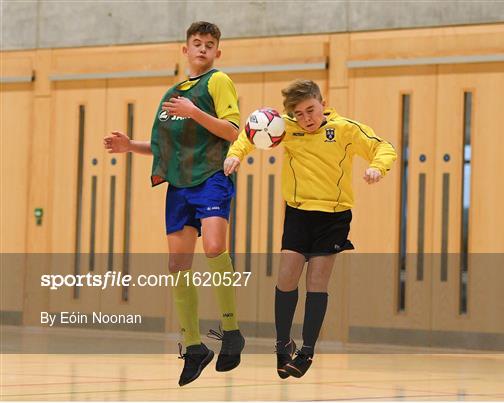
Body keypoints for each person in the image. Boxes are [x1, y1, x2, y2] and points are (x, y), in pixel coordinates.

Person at [224, 79, 396, 378]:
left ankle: (307, 352)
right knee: (286, 278)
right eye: (300, 114)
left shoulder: (345, 129)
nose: (307, 119)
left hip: (333, 216)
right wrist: (235, 155)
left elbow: (384, 147)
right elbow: (249, 135)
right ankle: (281, 346)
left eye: (311, 111)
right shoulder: (285, 127)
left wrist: (376, 168)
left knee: (316, 283)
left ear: (323, 104)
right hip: (298, 213)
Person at [104, 21, 244, 387]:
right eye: (196, 43)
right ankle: (195, 346)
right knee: (177, 264)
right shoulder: (172, 94)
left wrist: (194, 111)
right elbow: (167, 146)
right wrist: (130, 145)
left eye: (209, 44)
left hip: (211, 176)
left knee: (214, 248)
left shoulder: (217, 82)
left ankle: (231, 330)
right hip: (179, 185)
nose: (202, 49)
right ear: (185, 49)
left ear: (217, 51)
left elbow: (232, 131)